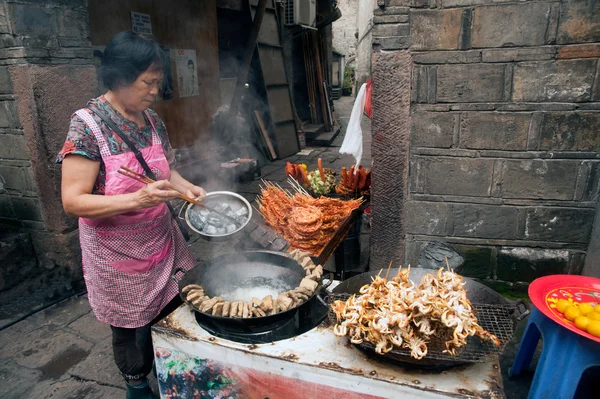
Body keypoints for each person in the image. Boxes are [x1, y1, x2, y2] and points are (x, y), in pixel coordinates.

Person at [57, 31, 205, 399]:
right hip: (116, 254)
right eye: (148, 82)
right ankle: (137, 385)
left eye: (159, 82)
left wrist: (186, 189)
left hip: (160, 240)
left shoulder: (152, 120)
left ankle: (171, 365)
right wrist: (135, 200)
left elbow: (166, 172)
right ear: (120, 77)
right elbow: (73, 201)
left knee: (173, 307)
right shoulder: (86, 126)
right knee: (127, 327)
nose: (156, 90)